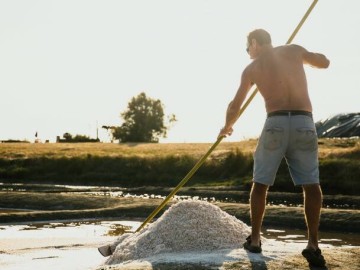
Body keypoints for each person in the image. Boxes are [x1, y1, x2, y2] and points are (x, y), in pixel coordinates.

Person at [218, 29, 330, 267]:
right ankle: (313, 245)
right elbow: (324, 62)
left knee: (260, 184)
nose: (247, 52)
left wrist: (227, 127)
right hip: (303, 122)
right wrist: (309, 56)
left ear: (255, 43)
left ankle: (256, 239)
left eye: (247, 47)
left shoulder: (252, 69)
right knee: (311, 184)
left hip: (276, 123)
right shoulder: (293, 50)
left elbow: (234, 105)